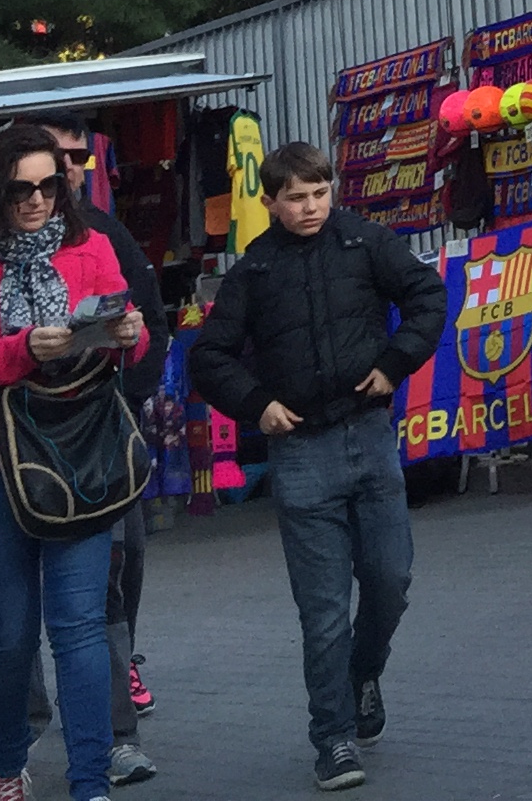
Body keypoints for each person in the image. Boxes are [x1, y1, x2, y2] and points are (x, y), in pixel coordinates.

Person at [190, 139, 445, 793]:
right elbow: (209, 357)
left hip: (370, 435)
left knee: (391, 579)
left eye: (320, 193)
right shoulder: (254, 269)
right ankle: (332, 739)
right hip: (301, 452)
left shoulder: (365, 242)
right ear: (271, 202)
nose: (310, 207)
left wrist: (394, 364)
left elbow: (427, 295)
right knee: (324, 610)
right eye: (296, 197)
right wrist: (257, 405)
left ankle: (365, 673)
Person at [0, 121, 153, 801]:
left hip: (79, 455)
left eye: (49, 186)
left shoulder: (91, 247)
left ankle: (90, 780)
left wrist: (128, 333)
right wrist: (21, 351)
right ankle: (7, 764)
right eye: (20, 189)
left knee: (79, 627)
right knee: (8, 635)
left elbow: (130, 343)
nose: (36, 200)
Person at [43, 115, 168, 790]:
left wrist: (127, 399)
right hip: (20, 448)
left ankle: (115, 721)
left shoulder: (102, 234)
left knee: (122, 568)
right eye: (56, 155)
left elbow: (148, 323)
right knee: (15, 611)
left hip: (103, 437)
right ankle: (19, 733)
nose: (68, 169)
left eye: (77, 158)